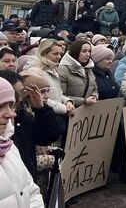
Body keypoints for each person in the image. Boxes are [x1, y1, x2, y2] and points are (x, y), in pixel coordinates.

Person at [0, 70, 64, 183]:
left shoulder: (24, 116)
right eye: (16, 93)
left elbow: (47, 137)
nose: (20, 98)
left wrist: (41, 109)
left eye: (22, 92)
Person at [0, 76, 44, 207]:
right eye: (0, 106)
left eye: (11, 106)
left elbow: (31, 191)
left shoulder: (9, 148)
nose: (11, 114)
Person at [24, 40, 74, 117]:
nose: (59, 57)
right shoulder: (34, 70)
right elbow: (39, 98)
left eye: (60, 54)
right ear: (43, 53)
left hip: (55, 113)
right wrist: (64, 109)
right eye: (55, 54)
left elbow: (58, 94)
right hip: (43, 116)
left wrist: (68, 102)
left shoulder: (52, 69)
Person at [58, 40, 98, 108]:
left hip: (86, 111)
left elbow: (94, 89)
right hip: (71, 112)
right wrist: (84, 101)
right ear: (76, 52)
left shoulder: (88, 68)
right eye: (84, 51)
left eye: (89, 51)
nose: (87, 54)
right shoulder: (63, 70)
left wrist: (94, 96)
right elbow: (61, 96)